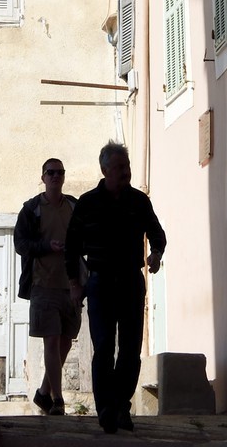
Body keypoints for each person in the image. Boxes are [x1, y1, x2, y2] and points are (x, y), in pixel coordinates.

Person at [64, 142, 166, 435]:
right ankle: (106, 409)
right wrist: (74, 284)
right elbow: (71, 248)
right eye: (120, 167)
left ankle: (121, 405)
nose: (126, 172)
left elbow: (157, 234)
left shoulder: (138, 201)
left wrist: (156, 254)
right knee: (104, 347)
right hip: (100, 283)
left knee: (131, 350)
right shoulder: (87, 203)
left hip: (132, 281)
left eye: (128, 166)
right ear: (105, 170)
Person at [14, 157, 82, 416]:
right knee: (51, 342)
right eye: (50, 172)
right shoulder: (31, 210)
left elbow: (84, 238)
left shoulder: (74, 207)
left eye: (60, 172)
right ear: (43, 177)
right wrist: (46, 247)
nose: (56, 176)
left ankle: (43, 392)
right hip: (43, 286)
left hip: (71, 285)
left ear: (64, 178)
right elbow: (21, 244)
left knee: (66, 342)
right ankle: (58, 399)